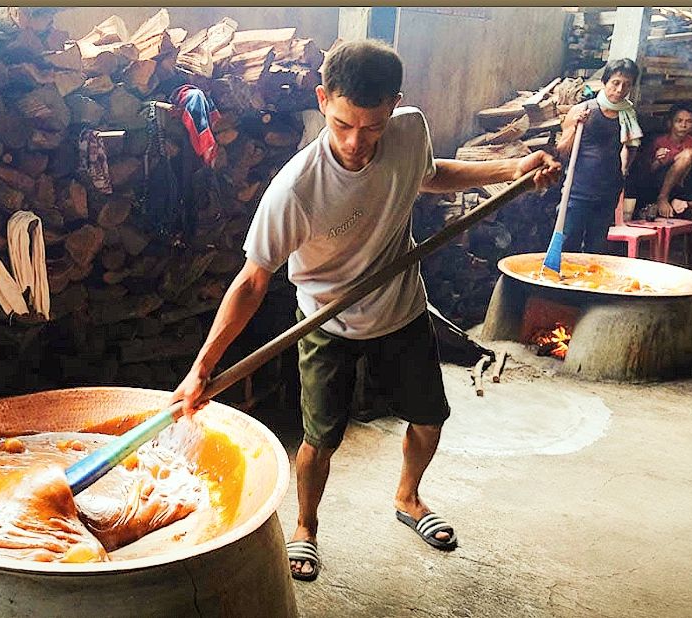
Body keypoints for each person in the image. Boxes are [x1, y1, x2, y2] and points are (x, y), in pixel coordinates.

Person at [169, 39, 560, 582]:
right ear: (323, 98)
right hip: (326, 321)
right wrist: (202, 368)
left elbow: (428, 175)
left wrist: (511, 167)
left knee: (428, 418)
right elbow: (252, 282)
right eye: (344, 124)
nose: (357, 142)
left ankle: (408, 497)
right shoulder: (296, 189)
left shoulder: (410, 129)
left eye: (373, 126)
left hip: (401, 306)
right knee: (321, 437)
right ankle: (305, 527)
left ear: (395, 107)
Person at [556, 58, 642, 252]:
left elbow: (632, 147)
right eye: (616, 83)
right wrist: (575, 126)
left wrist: (623, 171)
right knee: (568, 244)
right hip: (577, 191)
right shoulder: (583, 110)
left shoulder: (628, 116)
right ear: (604, 82)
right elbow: (562, 150)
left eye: (627, 85)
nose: (620, 90)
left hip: (607, 193)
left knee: (597, 248)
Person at [629, 103, 692, 219]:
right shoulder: (658, 141)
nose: (683, 125)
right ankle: (662, 198)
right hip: (656, 185)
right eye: (679, 121)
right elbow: (646, 172)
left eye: (689, 121)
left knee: (689, 153)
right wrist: (658, 161)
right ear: (670, 123)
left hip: (681, 188)